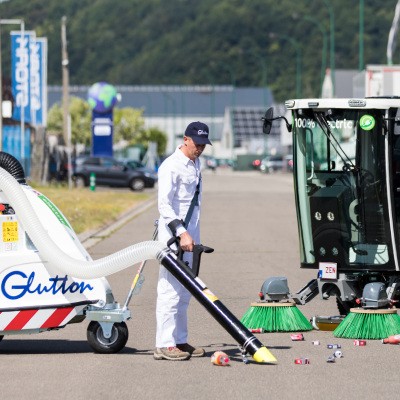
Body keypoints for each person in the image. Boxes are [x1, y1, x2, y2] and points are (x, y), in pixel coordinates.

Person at [154, 121, 212, 361]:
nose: (200, 148)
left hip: (191, 235)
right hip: (174, 236)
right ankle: (164, 344)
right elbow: (164, 205)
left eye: (203, 145)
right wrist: (181, 232)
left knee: (186, 290)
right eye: (196, 143)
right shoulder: (171, 166)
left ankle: (180, 340)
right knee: (169, 289)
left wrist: (193, 234)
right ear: (186, 139)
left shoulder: (195, 163)